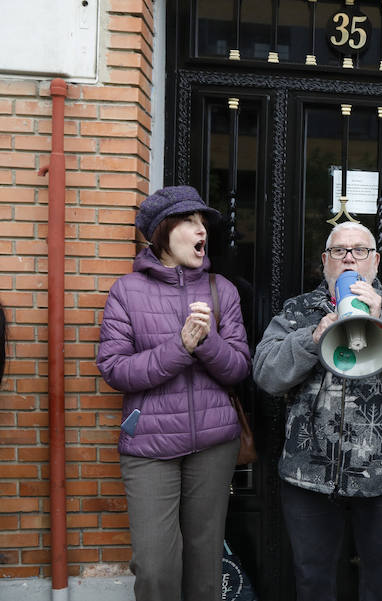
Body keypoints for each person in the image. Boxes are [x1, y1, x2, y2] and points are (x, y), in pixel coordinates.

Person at [252, 222, 382, 601]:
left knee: (381, 576)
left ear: (375, 262)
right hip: (309, 474)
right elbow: (266, 375)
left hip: (381, 474)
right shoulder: (298, 309)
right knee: (313, 578)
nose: (349, 257)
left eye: (359, 250)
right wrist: (312, 336)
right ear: (325, 261)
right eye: (339, 251)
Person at [97, 186, 251, 601]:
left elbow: (238, 368)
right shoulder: (126, 292)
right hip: (148, 446)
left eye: (204, 223)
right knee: (155, 566)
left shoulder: (223, 290)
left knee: (205, 566)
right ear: (162, 232)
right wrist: (179, 347)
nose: (203, 231)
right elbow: (115, 369)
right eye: (191, 221)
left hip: (214, 444)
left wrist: (206, 342)